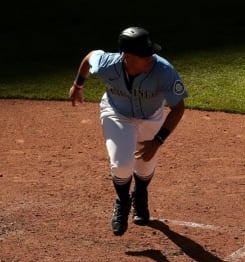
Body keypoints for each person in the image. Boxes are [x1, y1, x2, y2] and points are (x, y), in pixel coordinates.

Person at [69, 27, 188, 236]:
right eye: (144, 55)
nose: (150, 58)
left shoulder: (164, 70)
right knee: (122, 164)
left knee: (145, 165)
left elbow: (178, 108)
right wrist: (77, 86)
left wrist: (158, 140)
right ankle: (123, 202)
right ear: (127, 56)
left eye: (150, 52)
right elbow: (89, 58)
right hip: (117, 113)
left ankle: (140, 194)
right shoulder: (107, 64)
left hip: (151, 117)